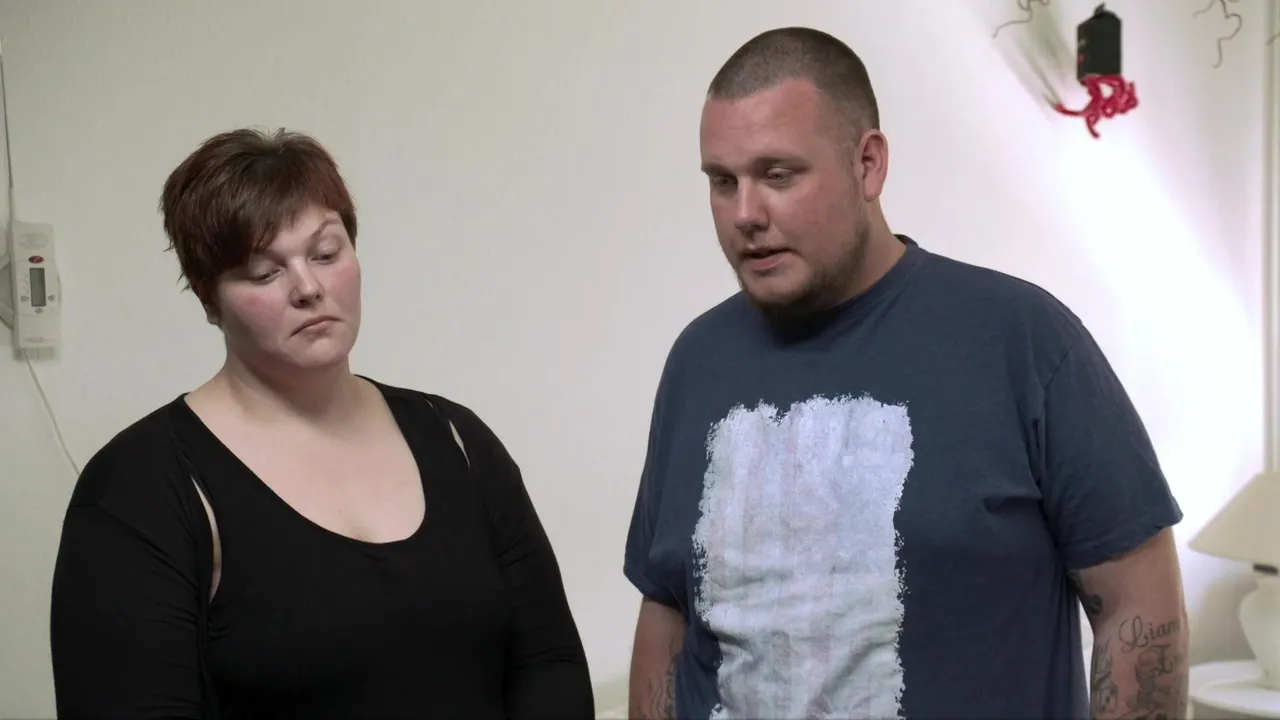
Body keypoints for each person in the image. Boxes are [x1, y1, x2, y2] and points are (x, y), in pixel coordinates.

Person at [624, 27, 1188, 720]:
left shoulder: (1021, 340)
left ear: (868, 164)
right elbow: (667, 613)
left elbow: (1137, 602)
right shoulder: (696, 363)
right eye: (722, 181)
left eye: (779, 175)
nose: (745, 213)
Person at [49, 128, 595, 720]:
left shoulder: (456, 439)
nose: (308, 288)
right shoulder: (140, 489)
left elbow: (551, 662)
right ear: (209, 300)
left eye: (326, 253)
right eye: (264, 272)